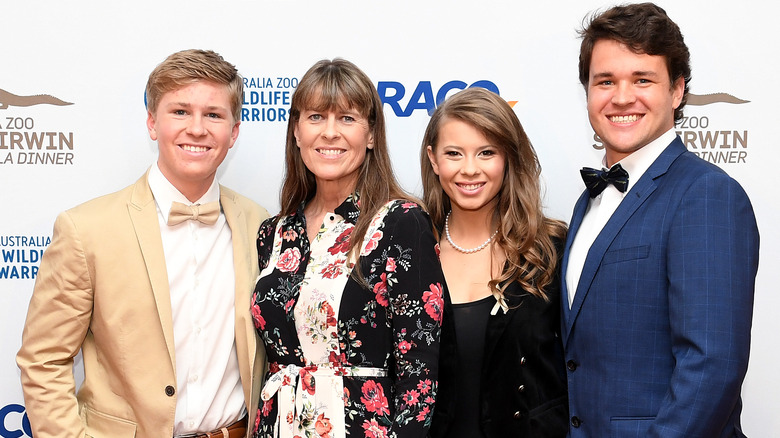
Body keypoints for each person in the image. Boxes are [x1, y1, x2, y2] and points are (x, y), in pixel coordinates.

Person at [16, 49, 269, 438]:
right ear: (152, 122)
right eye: (180, 112)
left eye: (214, 115)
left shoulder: (261, 225)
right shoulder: (86, 229)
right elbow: (43, 360)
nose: (197, 129)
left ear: (233, 132)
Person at [562, 3, 760, 437]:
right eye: (605, 81)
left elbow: (712, 366)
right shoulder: (587, 203)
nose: (622, 97)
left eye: (642, 79)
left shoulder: (706, 195)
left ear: (677, 91)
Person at [250, 58, 445, 438]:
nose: (330, 133)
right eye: (316, 117)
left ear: (371, 134)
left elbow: (420, 372)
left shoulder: (401, 223)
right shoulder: (273, 232)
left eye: (347, 118)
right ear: (296, 131)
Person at [420, 87, 569, 438]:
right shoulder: (410, 251)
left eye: (486, 152)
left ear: (508, 157)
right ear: (433, 159)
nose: (470, 169)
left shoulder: (550, 250)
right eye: (454, 153)